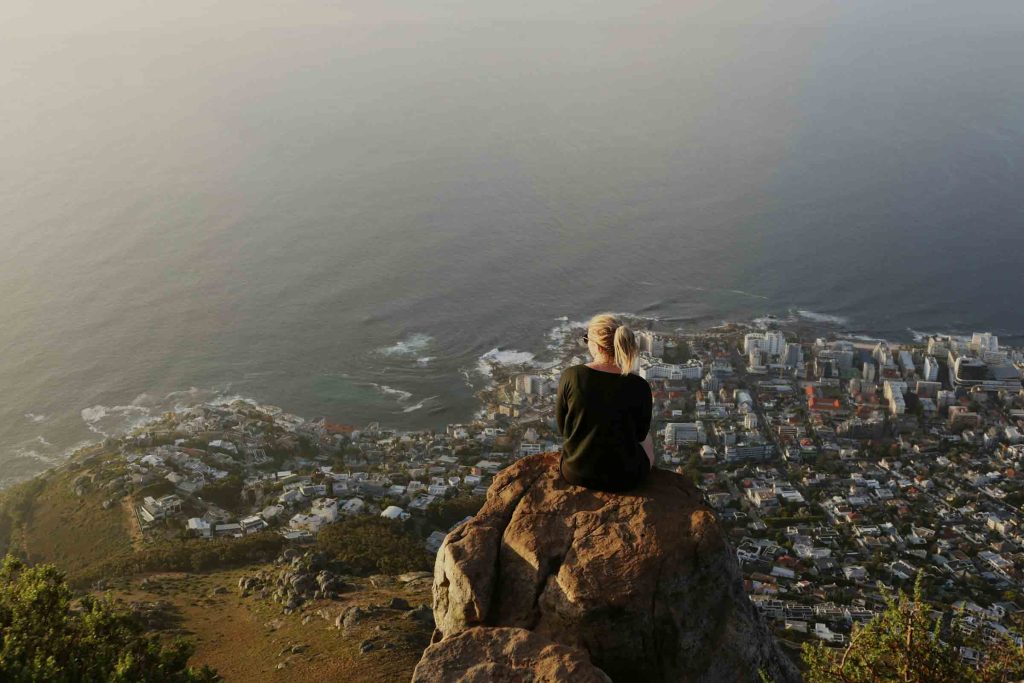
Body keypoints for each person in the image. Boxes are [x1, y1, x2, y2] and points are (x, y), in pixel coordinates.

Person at [556, 313, 655, 492]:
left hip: (576, 473)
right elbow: (640, 435)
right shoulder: (639, 386)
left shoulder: (572, 376)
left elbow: (563, 427)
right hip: (626, 478)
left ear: (595, 345)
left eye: (587, 340)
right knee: (648, 440)